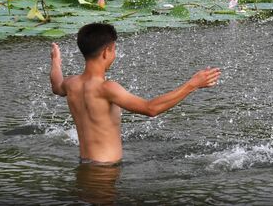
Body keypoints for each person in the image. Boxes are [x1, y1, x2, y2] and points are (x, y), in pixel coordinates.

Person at [50, 23, 221, 165]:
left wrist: (56, 61)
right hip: (106, 170)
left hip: (85, 164)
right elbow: (151, 109)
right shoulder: (107, 88)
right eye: (114, 50)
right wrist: (192, 84)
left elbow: (56, 86)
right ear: (106, 52)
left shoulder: (72, 84)